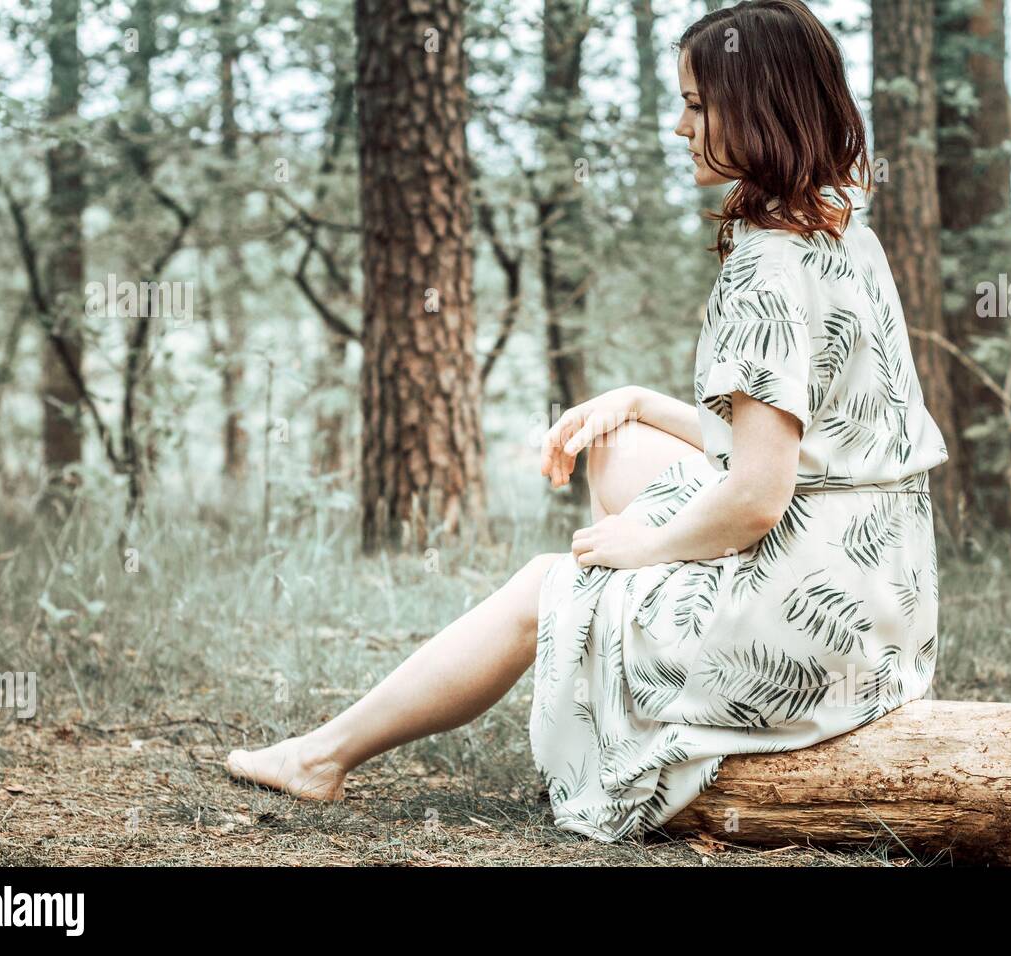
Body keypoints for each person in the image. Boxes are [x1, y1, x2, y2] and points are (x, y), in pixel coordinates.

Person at [227, 0, 949, 845]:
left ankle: (324, 754)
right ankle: (637, 624)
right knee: (621, 447)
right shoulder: (838, 223)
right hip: (887, 604)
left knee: (551, 583)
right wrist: (639, 403)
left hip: (803, 630)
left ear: (757, 108)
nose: (679, 128)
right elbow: (811, 440)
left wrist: (638, 551)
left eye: (694, 104)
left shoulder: (768, 265)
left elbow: (758, 495)